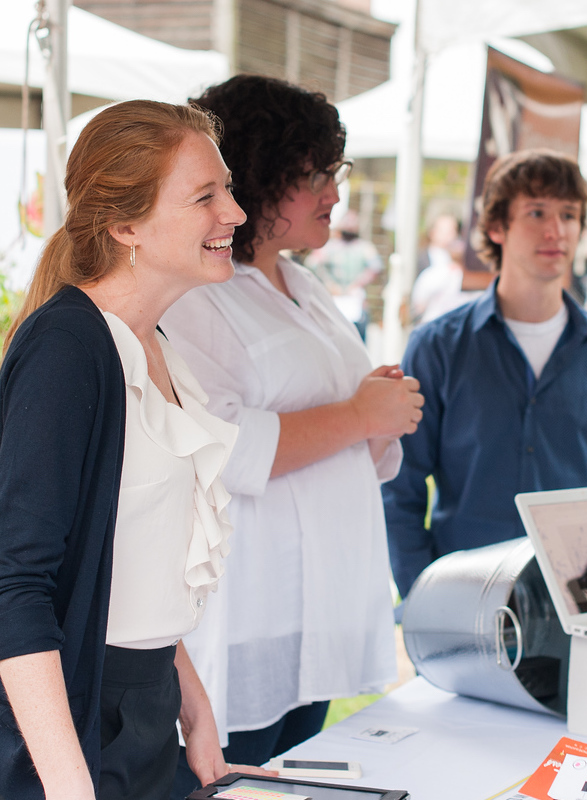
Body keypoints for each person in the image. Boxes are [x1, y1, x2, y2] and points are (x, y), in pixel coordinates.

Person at [0, 100, 273, 799]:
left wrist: (193, 702)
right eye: (206, 196)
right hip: (68, 731)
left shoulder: (155, 347)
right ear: (126, 226)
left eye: (229, 190)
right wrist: (70, 785)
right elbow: (14, 587)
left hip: (144, 714)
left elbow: (132, 567)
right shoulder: (66, 351)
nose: (236, 214)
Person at [161, 75, 424, 798]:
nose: (333, 193)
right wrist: (358, 416)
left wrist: (377, 407)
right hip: (253, 613)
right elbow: (223, 448)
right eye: (315, 175)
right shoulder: (197, 298)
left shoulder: (306, 288)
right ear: (259, 176)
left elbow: (353, 443)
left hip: (325, 610)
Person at [382, 149, 587, 598]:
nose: (556, 230)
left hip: (580, 603)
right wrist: (422, 595)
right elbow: (400, 486)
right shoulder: (438, 346)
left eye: (569, 215)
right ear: (497, 227)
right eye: (536, 212)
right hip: (463, 597)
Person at [304, 208, 383, 340]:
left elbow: (376, 267)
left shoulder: (363, 247)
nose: (349, 225)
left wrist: (357, 284)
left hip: (355, 299)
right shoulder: (330, 247)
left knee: (358, 337)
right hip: (333, 298)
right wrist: (330, 285)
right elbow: (312, 264)